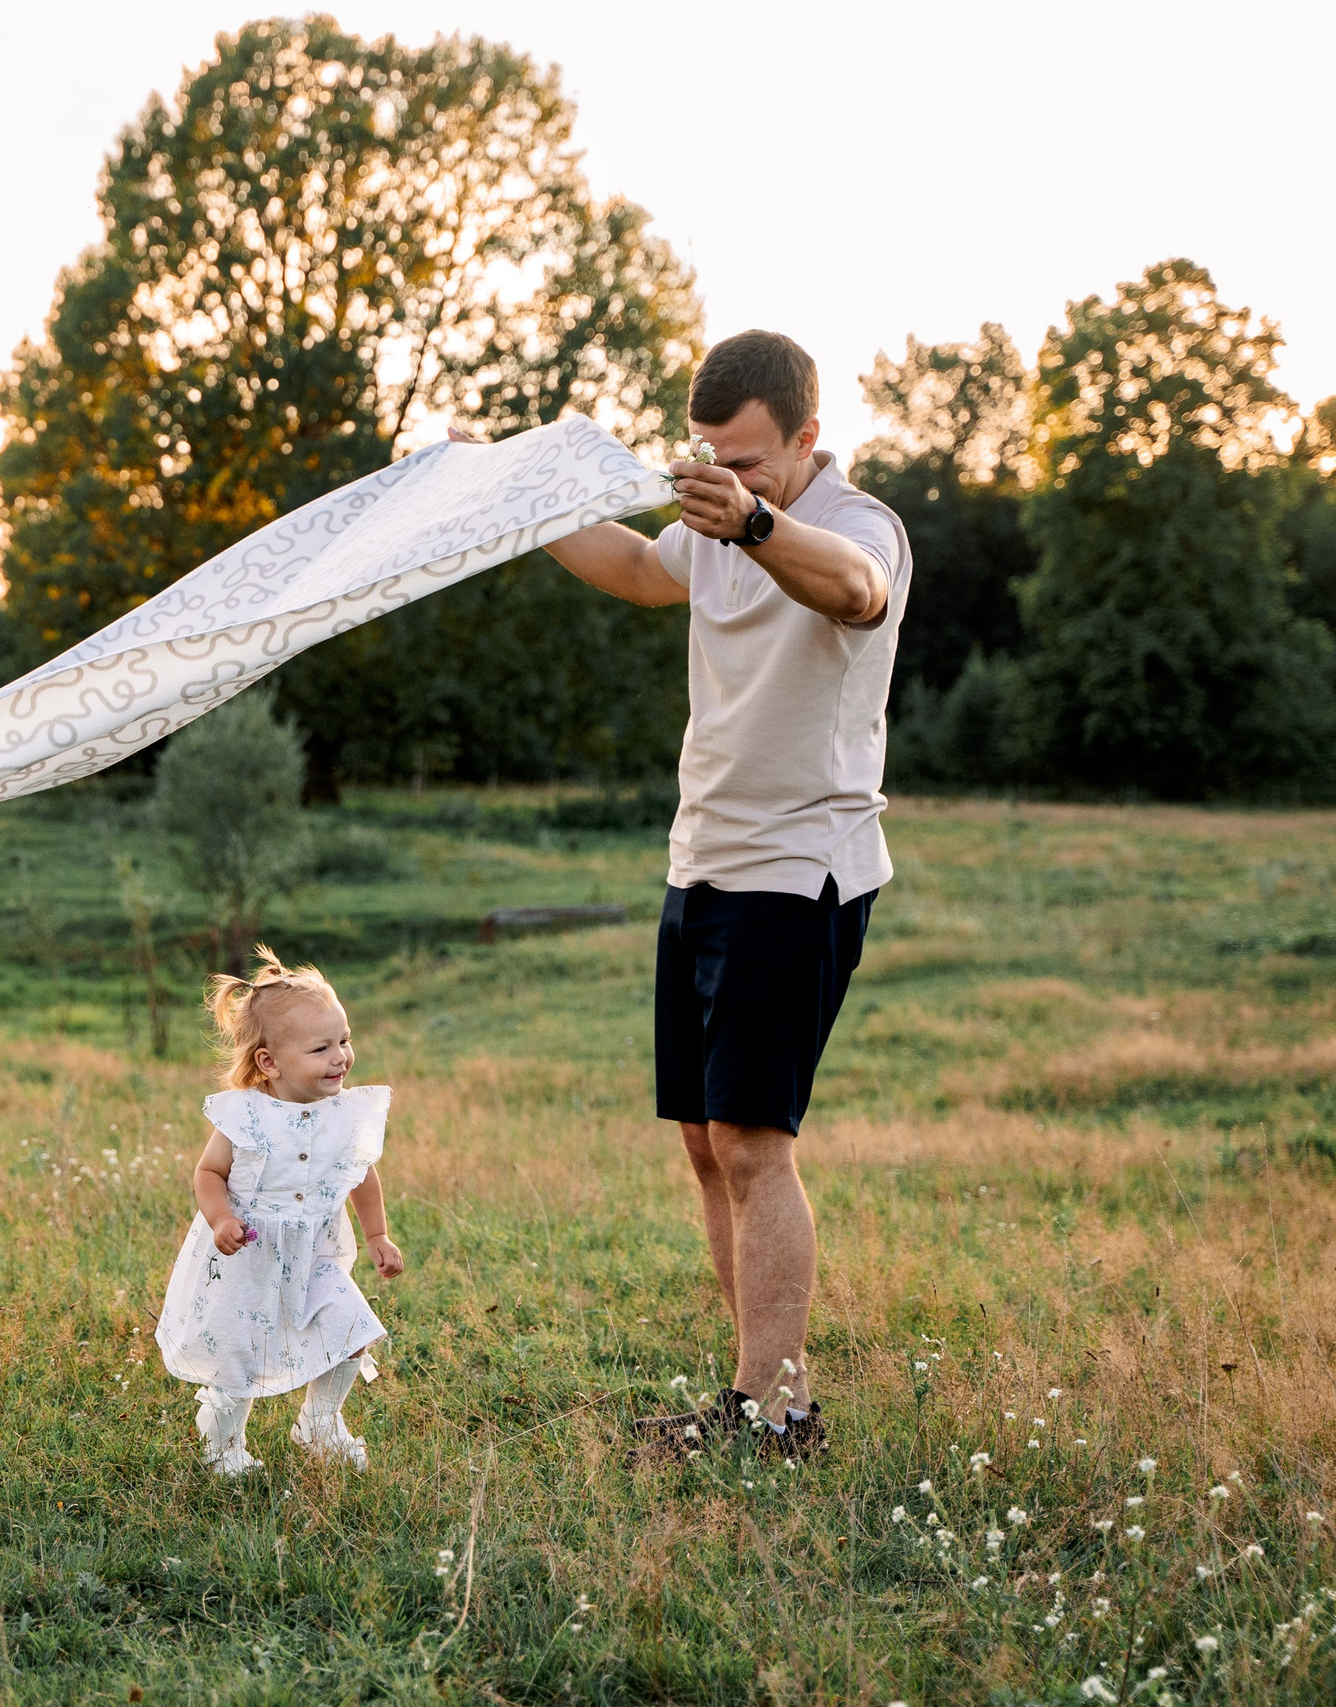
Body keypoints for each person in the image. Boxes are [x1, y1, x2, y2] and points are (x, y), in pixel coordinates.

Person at [478, 330, 910, 1458]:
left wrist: (759, 522)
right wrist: (509, 510)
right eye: (708, 454)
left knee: (754, 1141)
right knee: (704, 1142)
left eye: (751, 459)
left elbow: (855, 592)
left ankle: (780, 1414)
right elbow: (634, 570)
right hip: (703, 859)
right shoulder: (712, 523)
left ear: (807, 439)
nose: (724, 475)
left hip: (798, 866)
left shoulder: (858, 530)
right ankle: (747, 1392)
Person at [154, 949, 406, 1475]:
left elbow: (360, 1173)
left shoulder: (344, 1114)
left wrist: (377, 1234)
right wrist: (222, 1219)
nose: (341, 1057)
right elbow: (208, 1174)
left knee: (351, 1330)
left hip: (314, 1254)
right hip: (247, 1255)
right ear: (270, 1062)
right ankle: (224, 1448)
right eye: (322, 1048)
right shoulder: (246, 1115)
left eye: (345, 1040)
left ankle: (319, 1423)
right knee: (236, 1357)